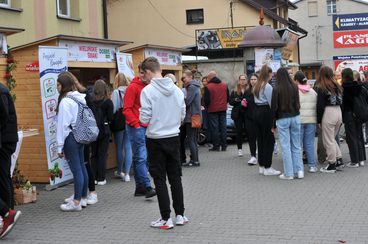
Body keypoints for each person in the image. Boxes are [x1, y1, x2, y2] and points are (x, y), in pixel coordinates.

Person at [139, 57, 187, 229]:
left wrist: (146, 118)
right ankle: (180, 215)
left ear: (149, 71)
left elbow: (144, 117)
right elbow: (182, 114)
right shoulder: (177, 90)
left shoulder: (148, 91)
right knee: (176, 177)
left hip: (156, 139)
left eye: (142, 74)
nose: (141, 78)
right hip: (174, 136)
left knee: (159, 179)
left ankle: (166, 218)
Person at [63, 72, 98, 206]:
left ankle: (90, 193)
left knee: (83, 165)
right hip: (83, 134)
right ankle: (80, 194)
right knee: (82, 165)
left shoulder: (82, 96)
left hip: (81, 134)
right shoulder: (81, 95)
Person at [56, 71, 88, 211]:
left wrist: (59, 147)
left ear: (64, 85)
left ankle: (76, 202)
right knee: (81, 167)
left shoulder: (65, 102)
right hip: (80, 136)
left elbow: (62, 125)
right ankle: (82, 196)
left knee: (76, 170)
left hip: (70, 137)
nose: (57, 87)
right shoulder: (80, 98)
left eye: (58, 84)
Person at [123, 63, 156, 198]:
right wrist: (136, 124)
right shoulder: (132, 87)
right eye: (140, 73)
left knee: (140, 157)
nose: (143, 75)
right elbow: (127, 109)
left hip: (145, 126)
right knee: (141, 157)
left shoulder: (149, 87)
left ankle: (139, 188)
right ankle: (147, 186)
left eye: (145, 72)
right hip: (136, 126)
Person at [272, 68, 303, 180]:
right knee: (296, 145)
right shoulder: (295, 86)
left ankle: (289, 173)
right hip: (295, 117)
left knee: (285, 147)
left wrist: (273, 124)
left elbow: (274, 108)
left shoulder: (276, 89)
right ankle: (299, 171)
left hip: (282, 118)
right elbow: (298, 103)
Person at [0, 82, 21, 238]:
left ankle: (6, 214)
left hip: (4, 141)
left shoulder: (0, 90)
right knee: (4, 177)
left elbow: (3, 115)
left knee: (2, 178)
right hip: (6, 139)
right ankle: (8, 213)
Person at [253, 65, 280, 176]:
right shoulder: (267, 86)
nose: (272, 75)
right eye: (271, 74)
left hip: (257, 111)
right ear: (268, 74)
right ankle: (268, 167)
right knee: (269, 140)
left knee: (260, 140)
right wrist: (275, 118)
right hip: (265, 112)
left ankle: (262, 166)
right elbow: (272, 104)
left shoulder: (256, 85)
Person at [316, 66, 343, 173]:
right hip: (338, 112)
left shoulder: (322, 87)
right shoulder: (337, 85)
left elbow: (320, 106)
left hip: (328, 113)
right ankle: (339, 159)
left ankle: (332, 164)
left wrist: (318, 120)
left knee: (328, 140)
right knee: (332, 138)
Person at [341, 68, 366, 167]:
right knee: (359, 136)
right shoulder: (359, 86)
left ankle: (354, 161)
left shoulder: (344, 87)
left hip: (349, 114)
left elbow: (344, 103)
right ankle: (361, 159)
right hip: (359, 114)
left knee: (352, 138)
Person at [90, 80, 113, 185]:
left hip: (93, 131)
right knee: (102, 155)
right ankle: (101, 178)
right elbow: (110, 118)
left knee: (94, 154)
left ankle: (94, 178)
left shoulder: (90, 101)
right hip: (104, 131)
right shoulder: (108, 102)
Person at [294, 71, 318, 173]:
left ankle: (299, 167)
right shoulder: (313, 92)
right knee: (309, 144)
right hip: (311, 120)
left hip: (299, 121)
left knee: (298, 145)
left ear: (296, 80)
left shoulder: (295, 92)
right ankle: (312, 166)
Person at [112, 73, 132, 182]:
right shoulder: (130, 89)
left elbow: (114, 108)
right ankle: (128, 174)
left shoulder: (116, 92)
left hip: (119, 122)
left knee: (119, 147)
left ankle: (120, 171)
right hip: (129, 120)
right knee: (128, 147)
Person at [204, 71, 229, 151]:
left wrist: (207, 107)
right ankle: (224, 145)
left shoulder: (208, 87)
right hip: (223, 109)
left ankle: (216, 146)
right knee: (223, 127)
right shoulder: (225, 85)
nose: (207, 79)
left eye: (207, 78)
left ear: (210, 77)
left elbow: (206, 100)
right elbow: (227, 97)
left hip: (212, 110)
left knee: (215, 128)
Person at [182, 70, 202, 167]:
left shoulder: (192, 87)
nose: (183, 80)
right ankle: (195, 160)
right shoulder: (195, 86)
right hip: (195, 116)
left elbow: (187, 102)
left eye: (184, 78)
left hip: (191, 117)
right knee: (193, 139)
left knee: (191, 140)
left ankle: (194, 160)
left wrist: (182, 98)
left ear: (190, 77)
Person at [229, 75, 248, 157]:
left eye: (244, 79)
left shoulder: (249, 90)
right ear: (239, 80)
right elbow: (230, 102)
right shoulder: (234, 90)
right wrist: (235, 100)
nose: (243, 81)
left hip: (247, 113)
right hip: (238, 114)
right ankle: (239, 149)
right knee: (239, 132)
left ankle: (253, 149)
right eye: (241, 79)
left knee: (249, 131)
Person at [245, 74, 258, 165]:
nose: (253, 81)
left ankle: (261, 155)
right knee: (251, 138)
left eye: (255, 79)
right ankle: (253, 156)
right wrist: (243, 103)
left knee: (260, 138)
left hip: (259, 117)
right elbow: (245, 102)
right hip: (249, 118)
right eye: (251, 79)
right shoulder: (247, 91)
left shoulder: (261, 90)